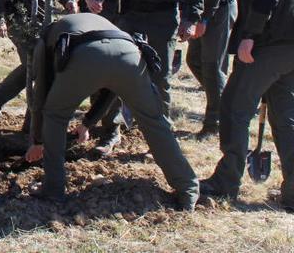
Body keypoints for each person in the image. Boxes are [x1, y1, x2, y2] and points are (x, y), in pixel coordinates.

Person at [24, 13, 199, 210]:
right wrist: (87, 123)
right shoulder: (102, 23)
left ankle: (53, 190)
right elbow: (112, 88)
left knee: (55, 115)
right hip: (130, 55)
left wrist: (38, 141)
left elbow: (41, 95)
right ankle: (188, 189)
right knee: (154, 121)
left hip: (86, 55)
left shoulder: (48, 36)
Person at [200, 0, 294, 212]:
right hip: (289, 48)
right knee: (286, 118)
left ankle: (226, 182)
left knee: (234, 107)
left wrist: (251, 34)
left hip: (266, 44)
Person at [171, 0, 235, 138]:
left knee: (211, 66)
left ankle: (214, 124)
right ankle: (223, 101)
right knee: (194, 60)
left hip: (217, 11)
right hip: (202, 11)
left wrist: (205, 19)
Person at [76, 0, 128, 153]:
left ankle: (112, 130)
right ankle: (95, 120)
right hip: (99, 16)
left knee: (116, 73)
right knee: (96, 69)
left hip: (126, 19)